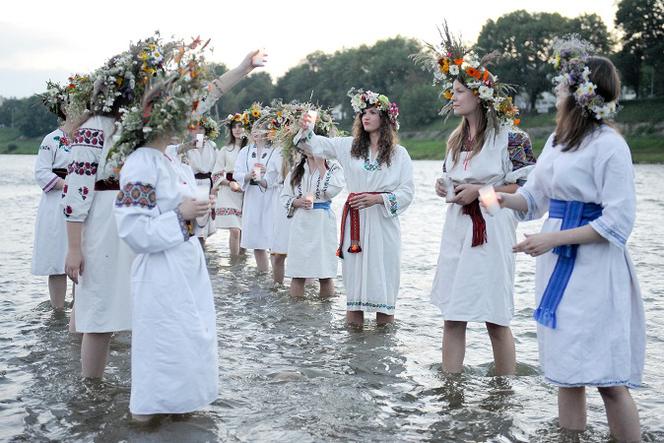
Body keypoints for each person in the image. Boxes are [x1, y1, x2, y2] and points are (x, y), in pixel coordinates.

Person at [497, 39, 645, 441]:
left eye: (563, 86)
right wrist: (494, 196)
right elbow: (533, 200)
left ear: (582, 93)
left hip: (595, 272)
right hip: (555, 267)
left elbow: (618, 222)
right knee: (567, 374)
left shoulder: (610, 146)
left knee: (609, 380)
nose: (557, 92)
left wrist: (553, 240)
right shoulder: (557, 143)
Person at [112, 40, 264, 420]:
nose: (192, 121)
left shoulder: (170, 159)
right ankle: (146, 422)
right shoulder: (140, 164)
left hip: (184, 267)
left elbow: (206, 97)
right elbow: (132, 230)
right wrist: (181, 216)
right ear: (161, 119)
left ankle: (182, 415)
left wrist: (243, 69)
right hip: (160, 276)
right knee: (164, 348)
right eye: (183, 115)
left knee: (189, 343)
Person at [422, 25, 535, 376]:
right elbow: (450, 177)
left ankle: (505, 392)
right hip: (456, 230)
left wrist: (482, 193)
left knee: (494, 317)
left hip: (492, 232)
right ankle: (449, 388)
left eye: (458, 91)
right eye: (452, 92)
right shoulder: (455, 140)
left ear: (479, 95)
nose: (452, 98)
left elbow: (529, 191)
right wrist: (445, 187)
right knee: (453, 316)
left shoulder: (512, 137)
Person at [299, 88, 414, 326]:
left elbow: (407, 192)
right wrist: (307, 127)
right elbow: (314, 145)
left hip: (383, 223)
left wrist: (379, 199)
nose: (366, 117)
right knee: (355, 285)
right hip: (356, 223)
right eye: (363, 113)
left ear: (386, 119)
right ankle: (354, 351)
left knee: (383, 276)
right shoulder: (348, 146)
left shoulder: (399, 154)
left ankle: (383, 343)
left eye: (373, 112)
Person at [31, 81, 73, 310]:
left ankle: (80, 311)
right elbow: (41, 172)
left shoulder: (89, 139)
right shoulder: (52, 139)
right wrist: (68, 184)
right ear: (65, 108)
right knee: (58, 259)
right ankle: (57, 313)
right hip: (57, 204)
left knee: (84, 259)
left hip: (84, 203)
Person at [281, 152, 344, 297]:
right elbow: (285, 196)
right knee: (298, 273)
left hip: (322, 223)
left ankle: (324, 314)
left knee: (325, 273)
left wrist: (321, 164)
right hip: (301, 222)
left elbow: (332, 191)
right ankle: (296, 315)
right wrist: (296, 202)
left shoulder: (333, 167)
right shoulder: (297, 168)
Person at [233, 113, 281, 273]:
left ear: (268, 131)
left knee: (272, 238)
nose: (255, 131)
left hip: (269, 197)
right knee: (255, 239)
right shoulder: (245, 151)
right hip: (252, 197)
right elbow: (237, 173)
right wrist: (248, 175)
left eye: (259, 128)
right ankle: (262, 273)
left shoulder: (276, 151)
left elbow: (279, 175)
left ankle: (276, 277)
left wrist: (265, 175)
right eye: (253, 128)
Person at [212, 113, 248, 257]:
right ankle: (233, 262)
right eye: (234, 127)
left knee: (244, 231)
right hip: (229, 191)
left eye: (240, 126)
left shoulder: (250, 150)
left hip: (246, 191)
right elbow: (216, 173)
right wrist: (230, 183)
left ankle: (241, 262)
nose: (237, 130)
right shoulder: (225, 150)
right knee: (235, 230)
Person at [183, 115, 219, 245]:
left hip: (207, 184)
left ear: (206, 130)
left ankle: (201, 251)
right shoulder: (186, 147)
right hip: (192, 183)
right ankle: (189, 246)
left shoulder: (212, 146)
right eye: (196, 128)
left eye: (202, 128)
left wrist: (214, 189)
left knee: (204, 220)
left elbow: (217, 168)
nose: (199, 131)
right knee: (191, 218)